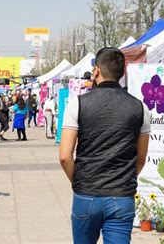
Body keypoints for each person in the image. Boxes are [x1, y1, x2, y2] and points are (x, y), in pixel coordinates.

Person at [59, 47, 151, 244]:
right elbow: (141, 157)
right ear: (122, 73)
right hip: (122, 195)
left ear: (96, 70)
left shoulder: (77, 104)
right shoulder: (140, 107)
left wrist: (79, 182)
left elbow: (65, 156)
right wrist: (123, 179)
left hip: (87, 194)